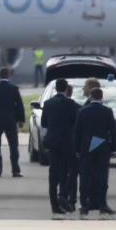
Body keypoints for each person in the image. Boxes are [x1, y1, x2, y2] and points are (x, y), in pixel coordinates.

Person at [74, 87, 116, 216]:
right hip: (102, 147)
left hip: (86, 147)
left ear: (91, 97)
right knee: (102, 176)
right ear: (101, 97)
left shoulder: (83, 111)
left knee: (85, 176)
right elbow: (113, 131)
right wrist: (114, 148)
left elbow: (77, 132)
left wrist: (77, 149)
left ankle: (84, 205)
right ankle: (102, 204)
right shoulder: (107, 111)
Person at [41, 78, 79, 214]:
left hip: (52, 142)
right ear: (66, 88)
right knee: (68, 171)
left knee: (53, 174)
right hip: (67, 142)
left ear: (56, 88)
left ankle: (54, 206)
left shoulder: (48, 103)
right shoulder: (71, 104)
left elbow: (44, 123)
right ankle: (63, 196)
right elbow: (76, 122)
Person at [0, 68, 25, 177]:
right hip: (10, 120)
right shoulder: (14, 88)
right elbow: (19, 105)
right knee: (13, 145)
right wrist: (21, 120)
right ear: (9, 75)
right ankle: (15, 170)